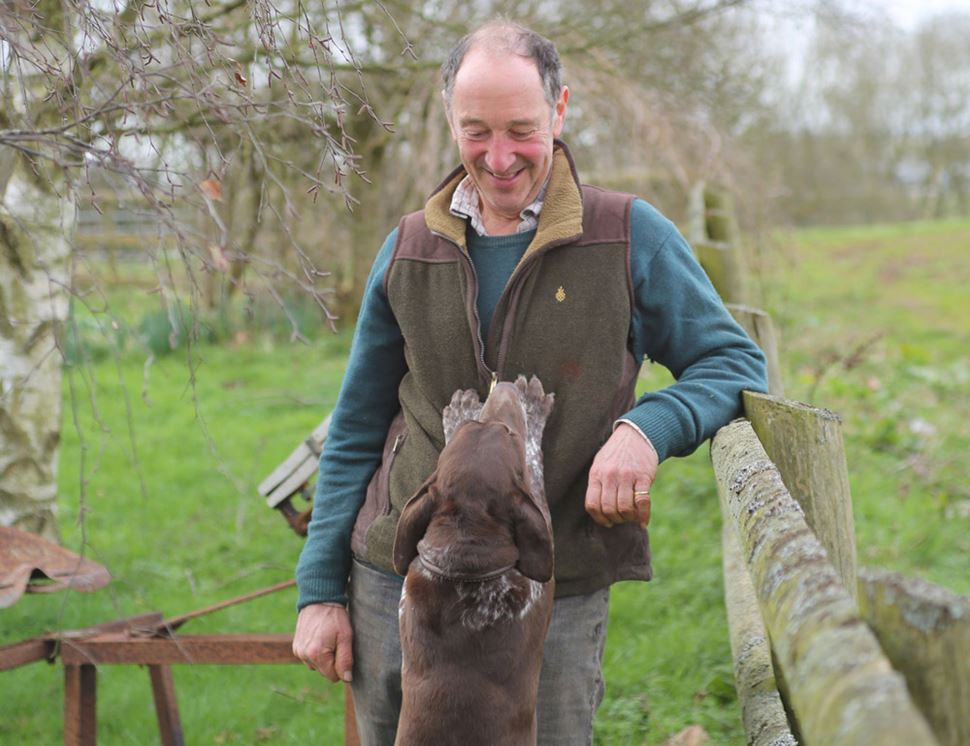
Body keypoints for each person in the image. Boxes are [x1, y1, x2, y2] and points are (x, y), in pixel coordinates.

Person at [293, 20, 767, 746]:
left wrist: (647, 431)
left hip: (556, 584)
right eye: (475, 131)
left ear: (560, 110)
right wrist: (321, 591)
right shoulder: (409, 248)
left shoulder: (628, 237)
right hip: (403, 584)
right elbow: (357, 422)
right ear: (450, 117)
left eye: (521, 129)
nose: (500, 156)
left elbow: (734, 361)